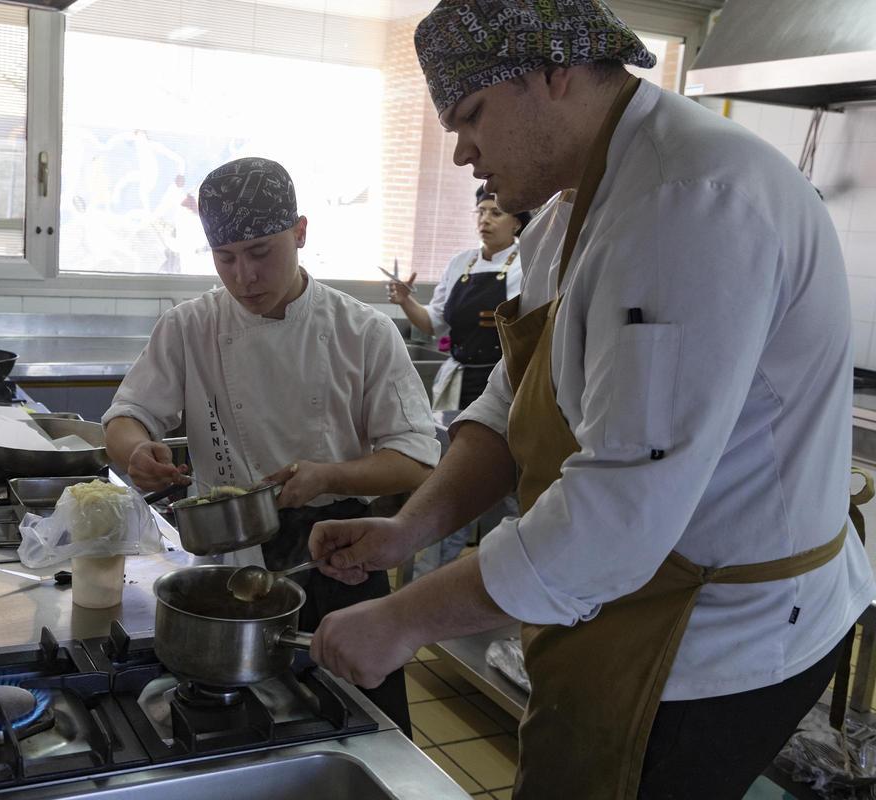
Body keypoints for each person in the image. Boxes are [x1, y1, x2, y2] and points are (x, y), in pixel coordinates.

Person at [306, 1, 876, 797]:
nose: (461, 151)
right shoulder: (571, 211)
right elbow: (514, 403)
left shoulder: (689, 202)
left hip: (710, 641)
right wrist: (411, 527)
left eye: (471, 115)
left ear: (554, 71)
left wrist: (403, 620)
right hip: (625, 602)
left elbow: (618, 510)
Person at [102, 156, 440, 736]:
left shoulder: (364, 331)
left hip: (338, 556)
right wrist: (135, 451)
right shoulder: (190, 326)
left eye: (261, 252)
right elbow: (125, 418)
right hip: (227, 565)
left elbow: (415, 459)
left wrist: (330, 476)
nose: (244, 277)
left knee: (363, 728)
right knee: (230, 729)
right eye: (225, 258)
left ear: (301, 232)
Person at [389, 186, 531, 410]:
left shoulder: (526, 264)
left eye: (495, 213)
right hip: (458, 377)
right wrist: (405, 301)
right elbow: (433, 323)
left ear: (517, 223)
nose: (484, 220)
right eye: (480, 212)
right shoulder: (460, 263)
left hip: (503, 379)